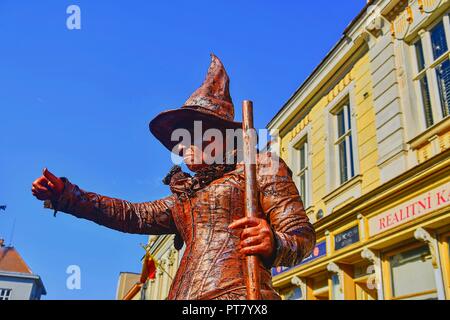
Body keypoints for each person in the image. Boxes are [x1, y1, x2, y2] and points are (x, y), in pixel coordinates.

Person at [31, 54, 316, 300]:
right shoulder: (187, 197)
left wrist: (275, 242)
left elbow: (301, 236)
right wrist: (66, 195)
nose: (181, 147)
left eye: (191, 135)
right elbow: (132, 215)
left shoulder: (261, 166)